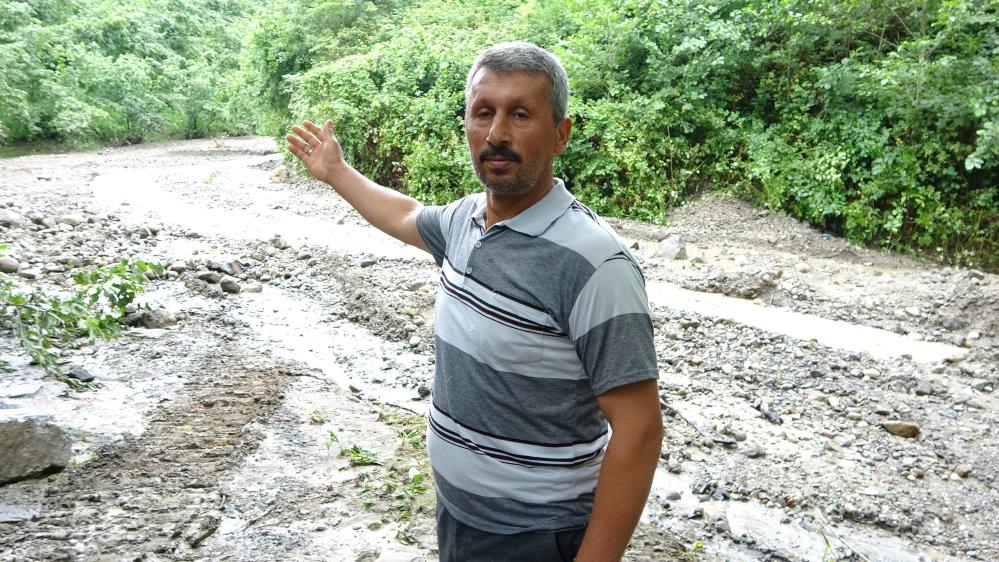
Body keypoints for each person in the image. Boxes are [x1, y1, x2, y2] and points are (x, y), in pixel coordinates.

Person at [287, 41, 662, 562]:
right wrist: (336, 172)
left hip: (535, 537)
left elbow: (640, 430)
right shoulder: (466, 222)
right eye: (483, 112)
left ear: (561, 134)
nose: (497, 134)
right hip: (460, 517)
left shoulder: (596, 264)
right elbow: (405, 215)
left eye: (521, 114)